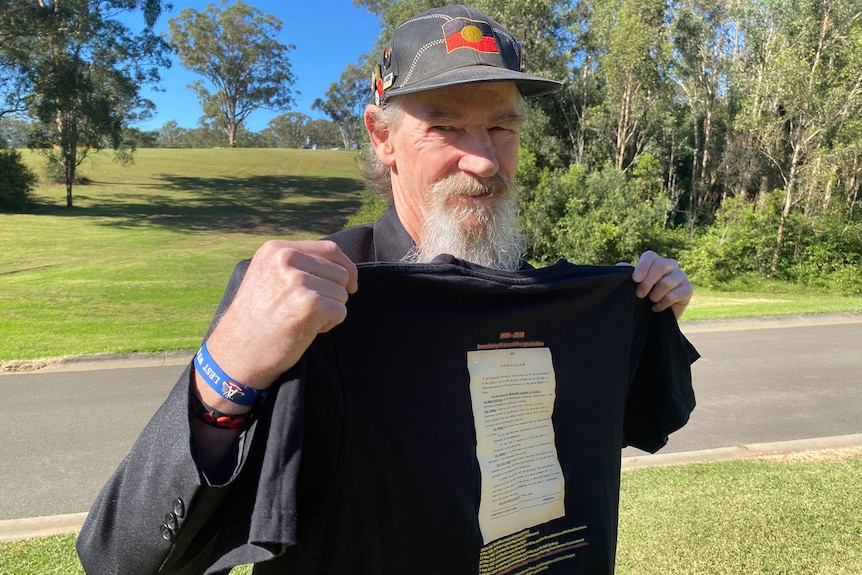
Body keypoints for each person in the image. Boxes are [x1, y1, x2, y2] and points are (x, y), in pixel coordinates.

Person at [77, 5, 697, 574]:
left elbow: (637, 426)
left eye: (502, 129)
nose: (482, 160)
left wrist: (648, 313)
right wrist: (227, 371)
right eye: (446, 127)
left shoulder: (546, 295)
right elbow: (117, 557)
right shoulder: (312, 304)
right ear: (382, 138)